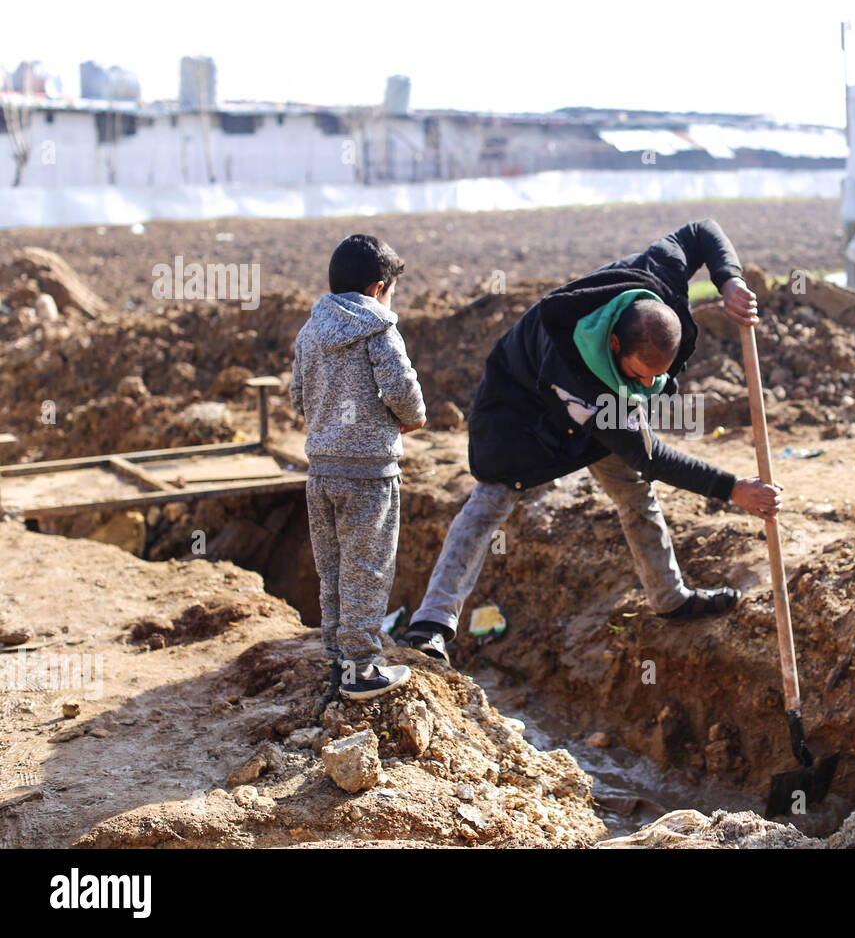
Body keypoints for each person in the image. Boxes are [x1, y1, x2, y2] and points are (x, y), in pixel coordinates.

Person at [398, 219, 781, 663]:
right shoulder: (575, 374)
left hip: (603, 402)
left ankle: (670, 598)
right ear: (615, 344)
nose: (649, 386)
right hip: (521, 409)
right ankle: (430, 624)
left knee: (636, 495)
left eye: (657, 378)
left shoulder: (656, 275)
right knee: (490, 502)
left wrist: (729, 281)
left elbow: (701, 231)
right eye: (641, 376)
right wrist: (733, 488)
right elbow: (649, 454)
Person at [291, 234, 427, 701]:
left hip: (321, 471)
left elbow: (297, 397)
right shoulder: (379, 328)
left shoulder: (309, 332)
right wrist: (412, 420)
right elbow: (401, 389)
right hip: (370, 472)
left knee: (332, 569)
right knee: (367, 569)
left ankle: (337, 655)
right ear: (377, 289)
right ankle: (362, 669)